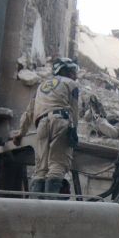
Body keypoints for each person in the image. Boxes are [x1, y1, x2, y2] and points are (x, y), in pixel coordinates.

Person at [15, 57, 80, 195]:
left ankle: (36, 206)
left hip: (42, 124)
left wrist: (21, 133)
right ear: (64, 70)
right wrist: (74, 132)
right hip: (61, 121)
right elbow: (74, 110)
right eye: (73, 72)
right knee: (57, 164)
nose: (75, 75)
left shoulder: (41, 86)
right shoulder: (71, 84)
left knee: (41, 168)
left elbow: (29, 112)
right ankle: (51, 206)